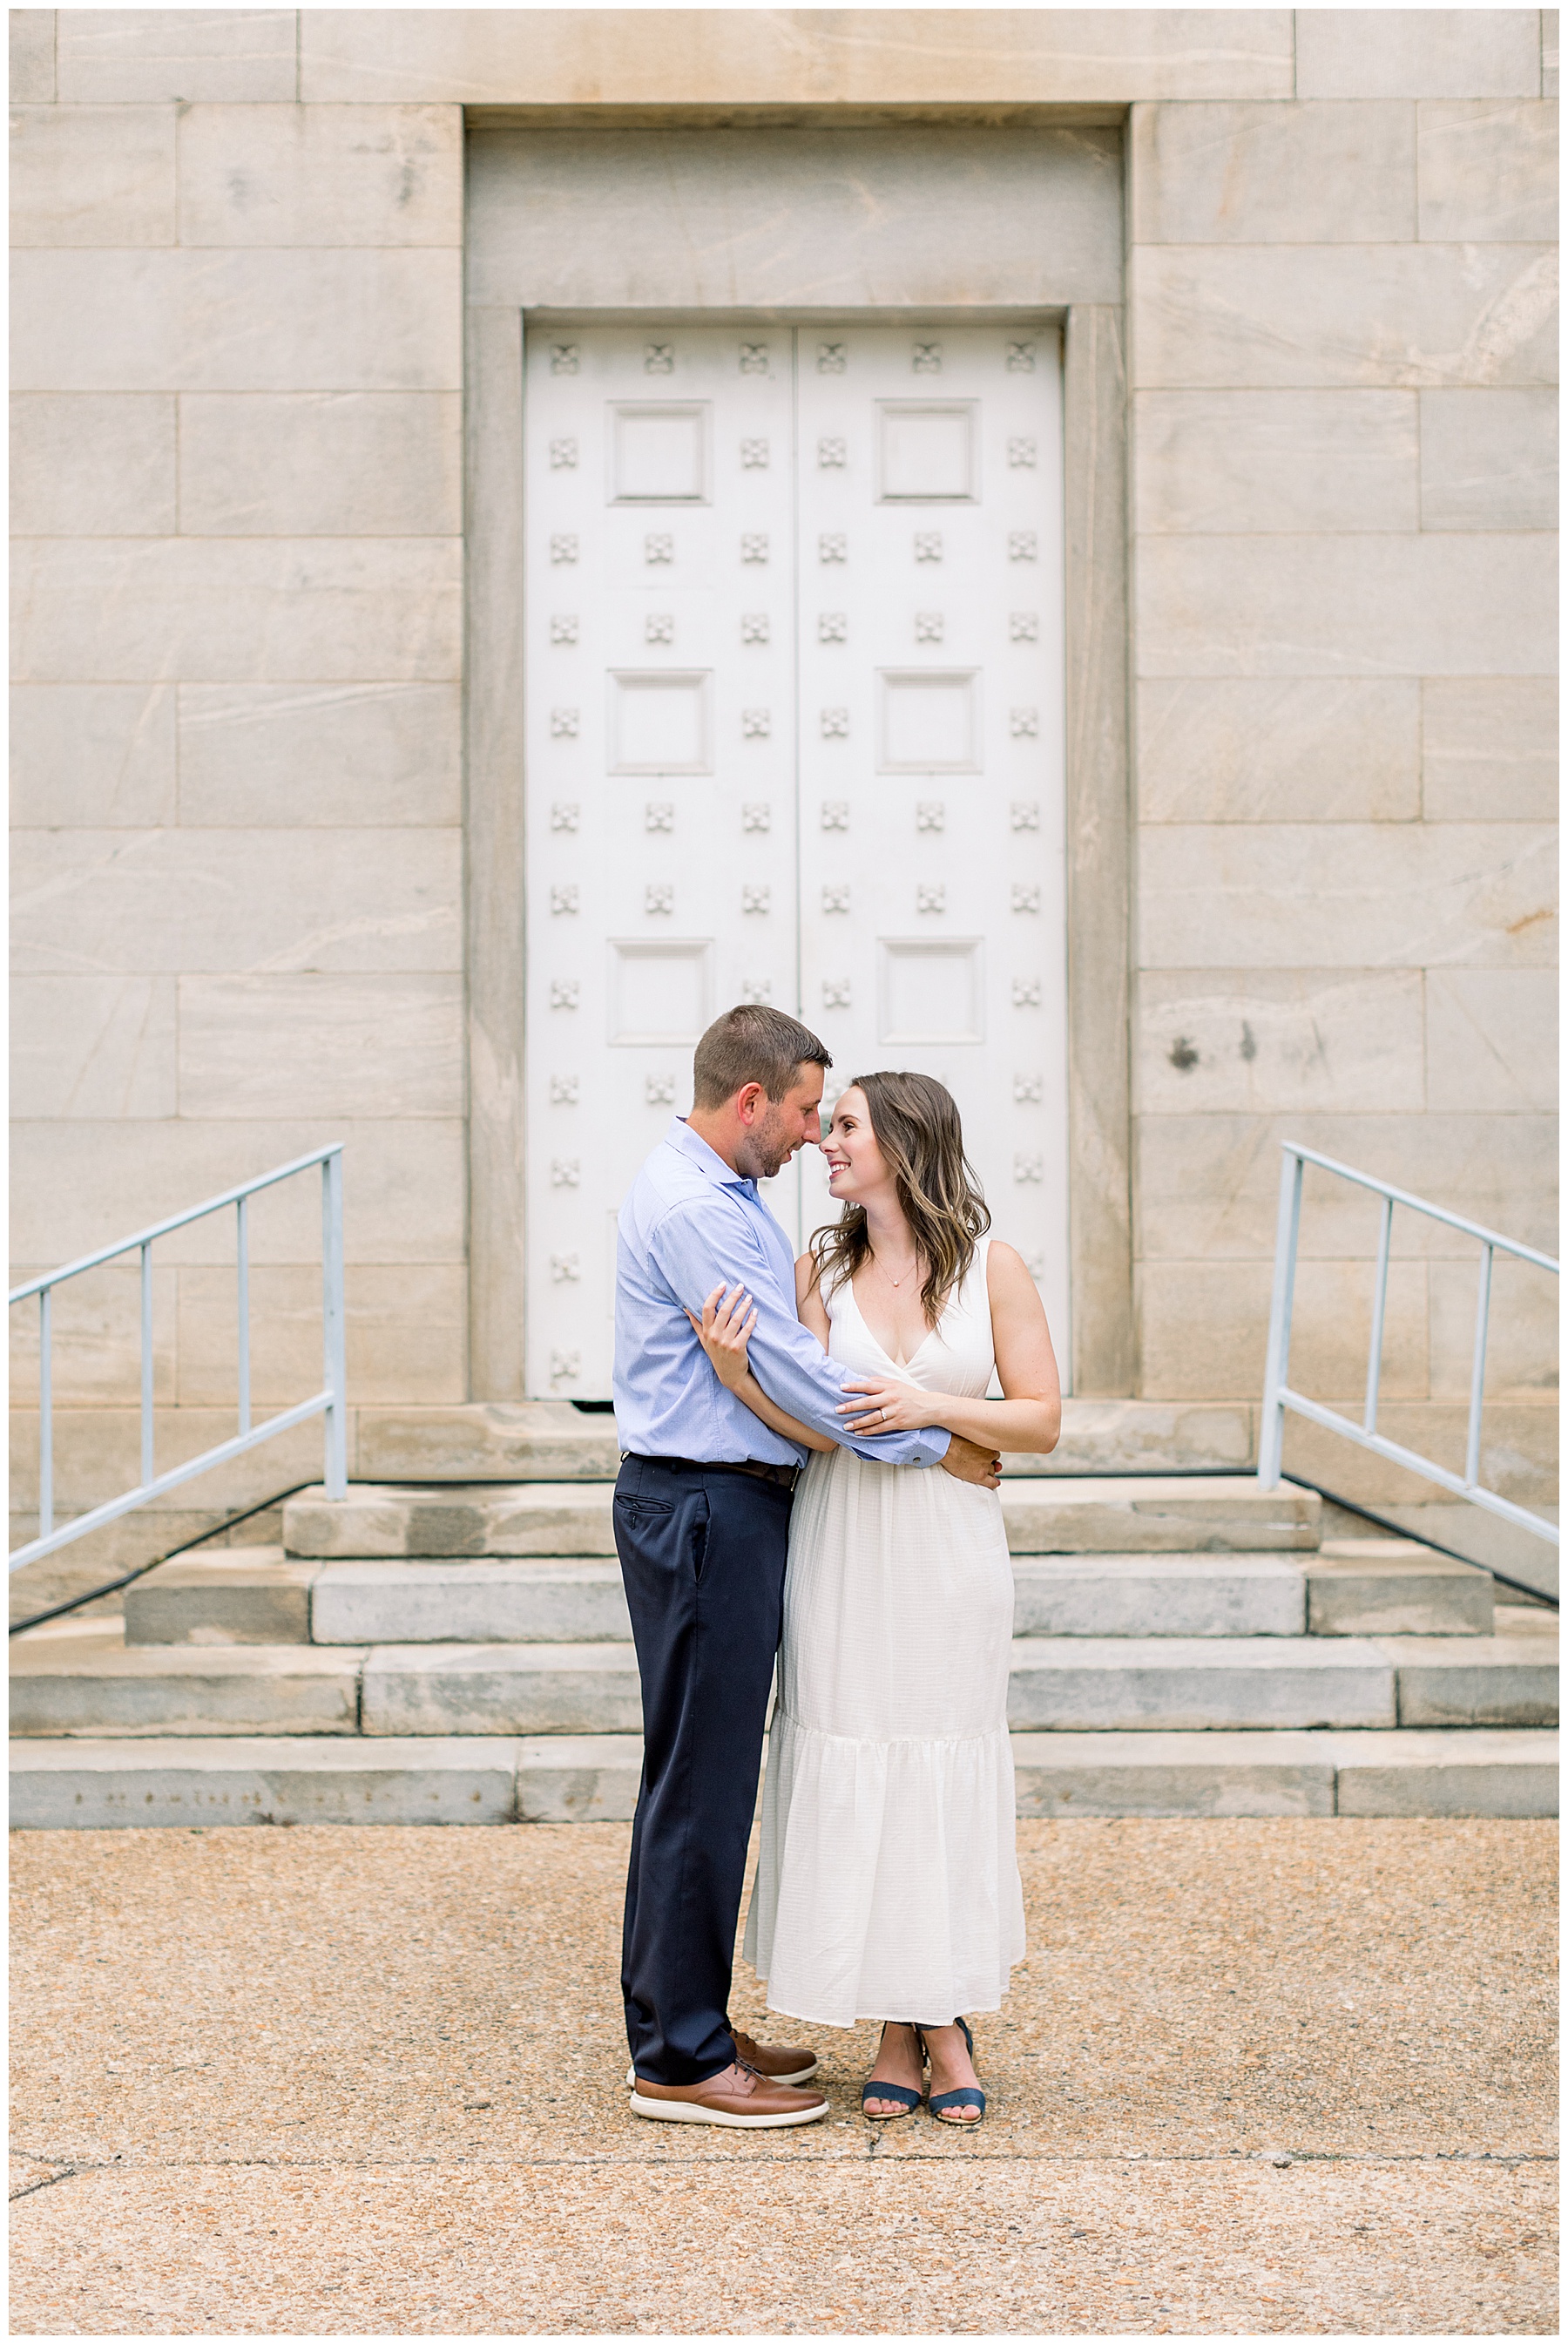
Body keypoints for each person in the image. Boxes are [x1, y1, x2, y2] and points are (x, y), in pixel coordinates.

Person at [612, 1006, 1004, 2129]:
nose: (805, 1139)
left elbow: (781, 1387)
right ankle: (680, 2059)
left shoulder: (720, 1198)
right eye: (799, 1114)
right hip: (702, 1506)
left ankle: (685, 2016)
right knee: (699, 1784)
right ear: (750, 1102)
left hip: (720, 1504)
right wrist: (946, 1442)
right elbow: (800, 1375)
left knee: (701, 1776)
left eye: (831, 1122)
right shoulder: (700, 1208)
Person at [689, 1068, 1061, 2124]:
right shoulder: (820, 1265)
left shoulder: (995, 1267)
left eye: (845, 1125)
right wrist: (739, 1376)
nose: (825, 1142)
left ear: (903, 1141)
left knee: (937, 1760)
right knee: (858, 1749)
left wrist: (931, 1405)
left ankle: (937, 2016)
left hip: (951, 1553)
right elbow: (814, 1419)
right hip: (845, 1539)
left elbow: (1039, 1419)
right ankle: (900, 2028)